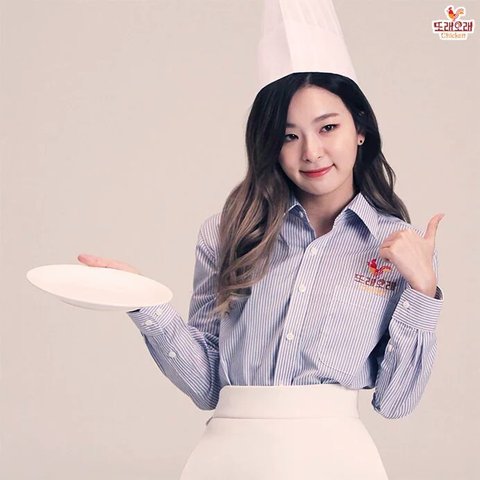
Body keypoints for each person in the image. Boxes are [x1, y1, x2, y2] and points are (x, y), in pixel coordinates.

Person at [78, 70, 444, 479]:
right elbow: (206, 386)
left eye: (328, 128)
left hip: (335, 458)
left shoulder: (401, 247)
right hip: (229, 457)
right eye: (289, 136)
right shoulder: (229, 232)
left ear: (360, 130)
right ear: (270, 145)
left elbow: (395, 402)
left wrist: (422, 290)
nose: (311, 152)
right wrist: (144, 301)